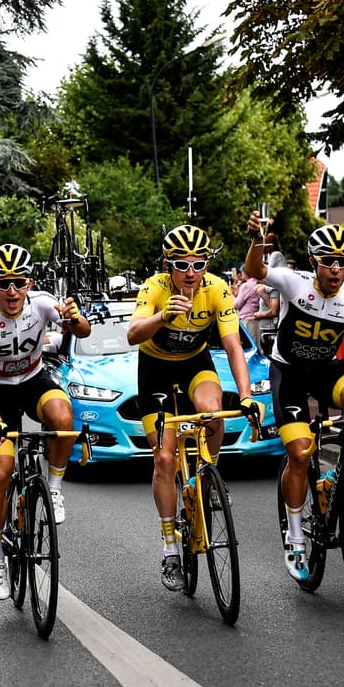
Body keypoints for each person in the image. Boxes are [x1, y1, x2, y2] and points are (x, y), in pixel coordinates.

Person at [243, 218, 344, 580]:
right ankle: (295, 536)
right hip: (290, 373)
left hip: (327, 369)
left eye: (343, 261)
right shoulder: (294, 283)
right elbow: (255, 270)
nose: (336, 268)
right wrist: (256, 241)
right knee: (299, 453)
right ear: (314, 262)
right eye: (329, 260)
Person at [128, 225, 260, 591]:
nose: (190, 272)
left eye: (198, 263)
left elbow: (233, 347)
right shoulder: (155, 288)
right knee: (165, 460)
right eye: (181, 264)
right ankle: (170, 546)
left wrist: (246, 396)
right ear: (167, 264)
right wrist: (162, 318)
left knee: (212, 411)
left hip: (194, 363)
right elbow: (133, 334)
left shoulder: (216, 289)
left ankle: (209, 474)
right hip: (154, 370)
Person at [0, 244, 90, 598]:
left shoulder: (41, 303)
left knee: (63, 415)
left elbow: (81, 332)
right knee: (0, 473)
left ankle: (53, 487)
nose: (11, 291)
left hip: (33, 381)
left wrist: (73, 318)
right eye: (3, 283)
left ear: (29, 283)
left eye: (18, 283)